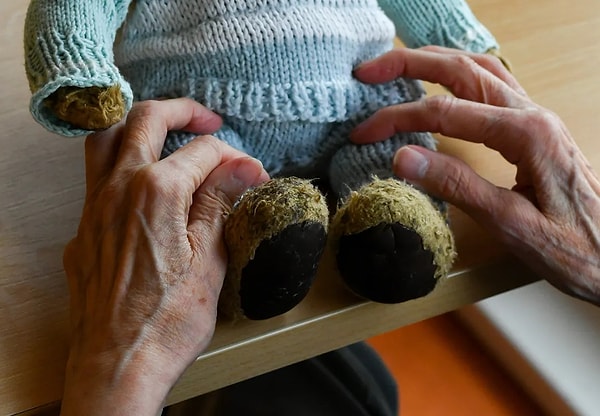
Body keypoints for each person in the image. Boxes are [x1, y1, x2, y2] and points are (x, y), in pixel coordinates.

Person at [59, 46, 600, 415]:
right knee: (355, 392)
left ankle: (366, 228)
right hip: (223, 113)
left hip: (333, 105)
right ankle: (277, 243)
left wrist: (115, 373)